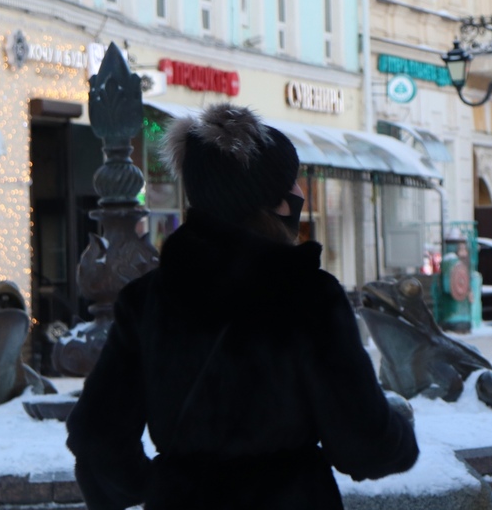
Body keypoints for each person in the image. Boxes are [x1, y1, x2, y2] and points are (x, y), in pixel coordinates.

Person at [66, 105, 418, 510]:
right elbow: (363, 442)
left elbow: (96, 435)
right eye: (293, 180)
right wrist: (400, 435)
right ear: (277, 202)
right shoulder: (308, 297)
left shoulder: (146, 301)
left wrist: (161, 485)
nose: (301, 190)